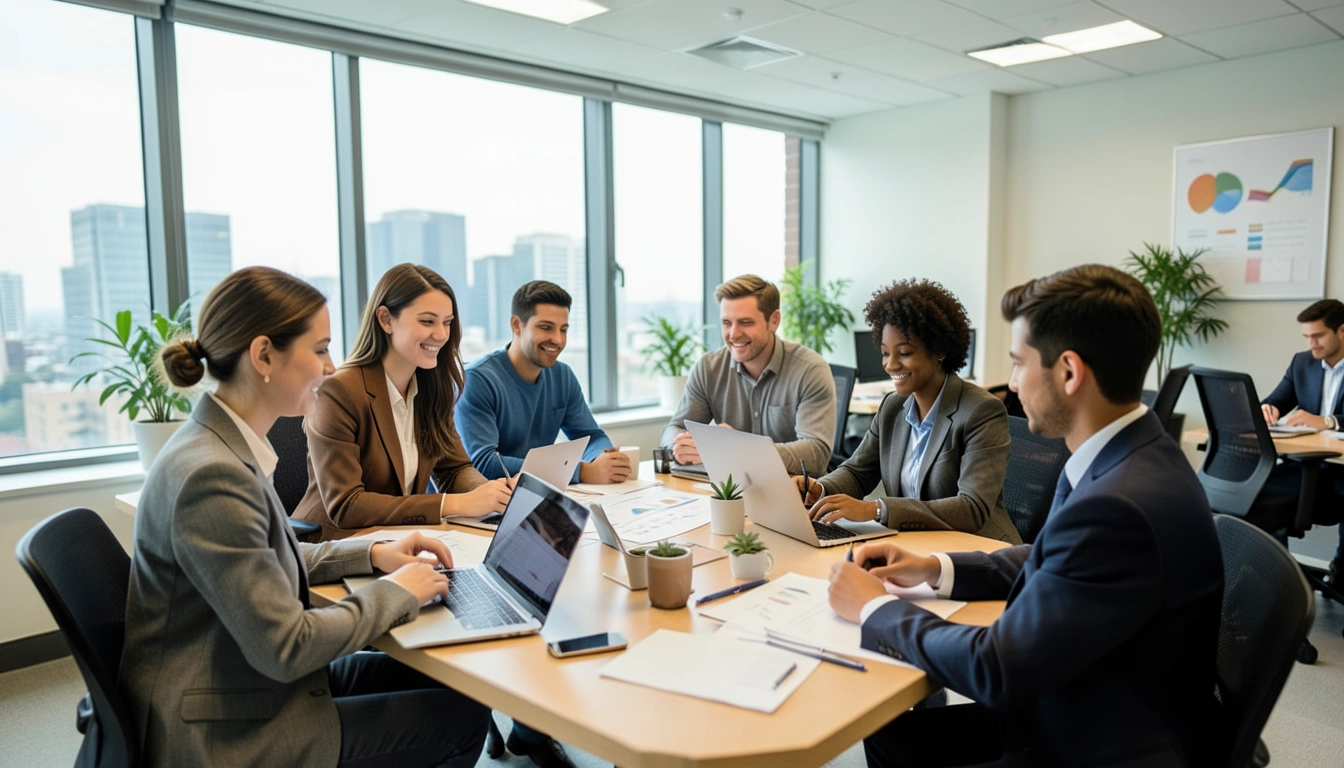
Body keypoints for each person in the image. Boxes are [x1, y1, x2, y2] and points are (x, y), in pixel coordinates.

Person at [828, 264, 1223, 767]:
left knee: (894, 737)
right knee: (891, 735)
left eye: (1018, 363)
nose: (1011, 383)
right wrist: (936, 568)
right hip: (1089, 695)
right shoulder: (1130, 455)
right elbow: (1053, 556)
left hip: (1093, 741)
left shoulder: (1117, 504)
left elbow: (994, 669)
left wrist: (872, 609)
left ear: (1070, 372)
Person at [122, 266, 490, 767]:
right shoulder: (211, 475)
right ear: (264, 356)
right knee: (461, 718)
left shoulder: (222, 447)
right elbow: (288, 648)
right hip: (229, 725)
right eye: (319, 349)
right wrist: (400, 591)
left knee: (454, 684)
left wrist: (371, 552)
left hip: (246, 684)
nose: (331, 365)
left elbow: (271, 554)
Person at [294, 263, 512, 540]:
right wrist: (454, 504)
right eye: (427, 321)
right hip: (335, 548)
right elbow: (347, 506)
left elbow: (455, 469)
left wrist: (494, 495)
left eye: (447, 322)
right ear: (385, 319)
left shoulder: (432, 389)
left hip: (398, 541)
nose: (442, 334)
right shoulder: (338, 391)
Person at [796, 280, 1019, 543]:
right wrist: (819, 489)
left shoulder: (981, 411)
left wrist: (877, 509)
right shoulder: (892, 407)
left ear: (939, 351)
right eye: (884, 353)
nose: (890, 365)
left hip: (978, 550)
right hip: (915, 543)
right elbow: (857, 472)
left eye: (904, 353)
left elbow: (972, 507)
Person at [455, 280, 629, 486]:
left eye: (563, 329)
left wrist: (605, 459)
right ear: (517, 325)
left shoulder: (563, 376)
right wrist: (580, 472)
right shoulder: (477, 380)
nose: (557, 339)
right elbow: (484, 463)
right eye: (546, 327)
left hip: (535, 497)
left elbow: (590, 436)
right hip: (479, 505)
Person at [661, 273, 835, 474]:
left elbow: (816, 454)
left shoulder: (810, 370)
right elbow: (674, 429)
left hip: (795, 494)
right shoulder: (708, 368)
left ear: (774, 321)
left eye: (745, 322)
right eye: (727, 323)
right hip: (729, 490)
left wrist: (741, 449)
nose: (733, 334)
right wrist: (679, 447)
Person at [1259, 298, 1344, 582]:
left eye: (1318, 335)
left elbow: (1328, 422)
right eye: (1307, 336)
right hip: (1309, 468)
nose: (1312, 344)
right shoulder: (1303, 363)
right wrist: (1267, 409)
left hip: (1340, 474)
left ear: (1342, 331)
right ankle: (1278, 584)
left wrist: (1329, 421)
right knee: (1256, 494)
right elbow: (1274, 400)